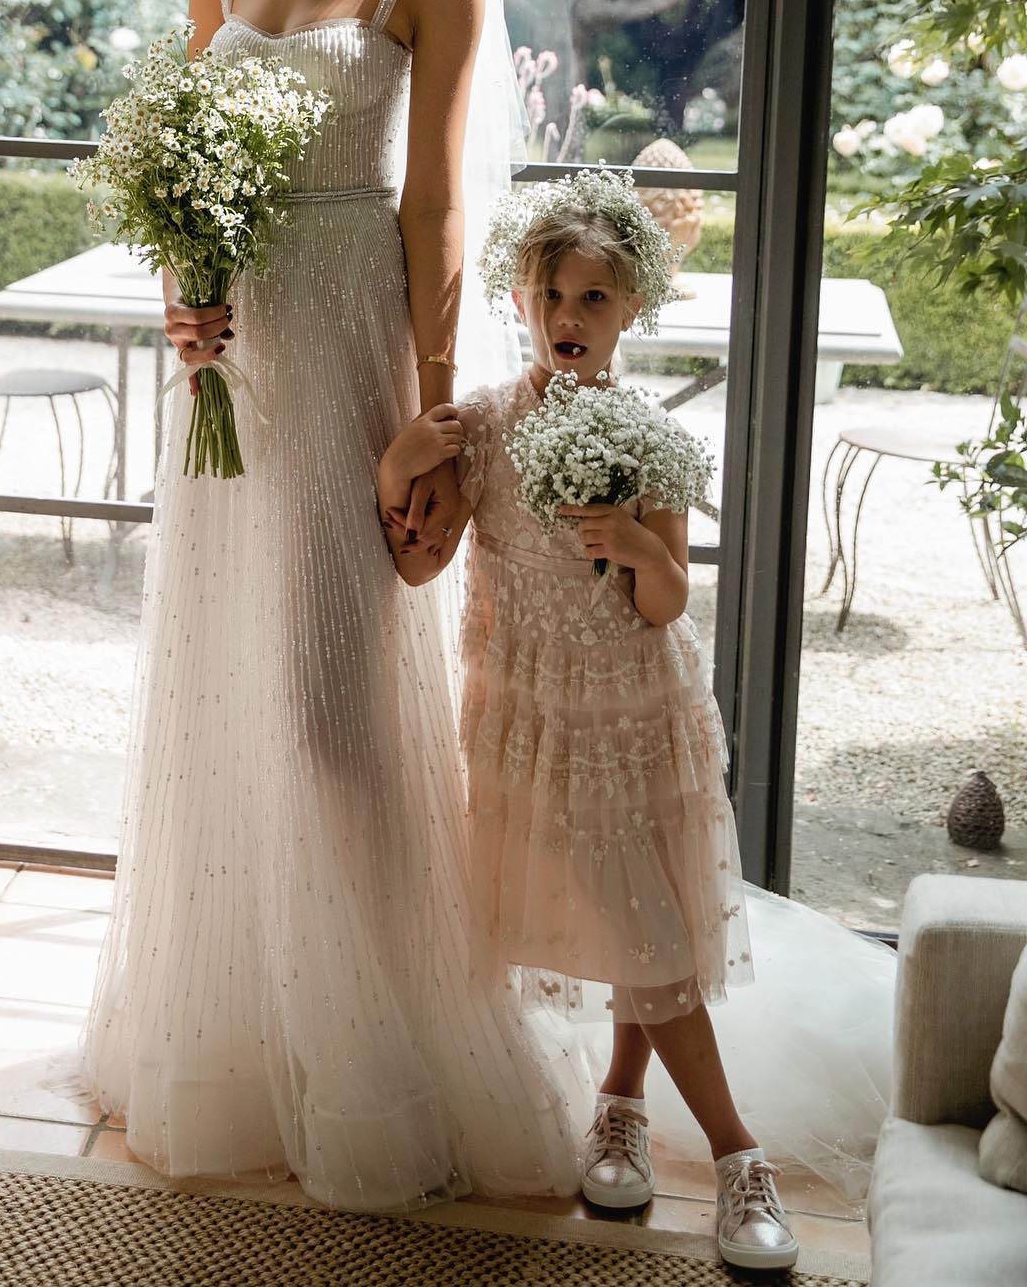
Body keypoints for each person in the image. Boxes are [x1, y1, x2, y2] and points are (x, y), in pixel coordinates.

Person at [79, 0, 591, 1211]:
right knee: (223, 687)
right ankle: (240, 1041)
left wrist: (433, 422)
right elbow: (177, 171)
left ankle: (390, 1038)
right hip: (232, 378)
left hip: (355, 358)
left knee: (332, 709)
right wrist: (182, 300)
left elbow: (440, 204)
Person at [379, 169, 897, 1267]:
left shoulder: (647, 436)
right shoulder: (481, 424)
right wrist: (398, 464)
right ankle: (617, 1095)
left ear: (631, 313)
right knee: (631, 928)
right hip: (532, 714)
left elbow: (667, 605)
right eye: (554, 296)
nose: (571, 318)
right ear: (523, 298)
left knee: (647, 932)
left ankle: (735, 1154)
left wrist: (635, 545)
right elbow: (421, 569)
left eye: (596, 301)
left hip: (629, 712)